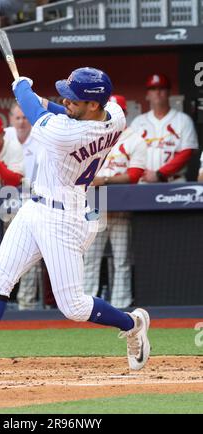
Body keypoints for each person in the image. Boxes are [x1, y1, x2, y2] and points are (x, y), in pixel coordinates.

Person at [0, 67, 150, 375]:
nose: (66, 101)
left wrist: (23, 89)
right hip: (35, 207)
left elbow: (34, 111)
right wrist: (43, 100)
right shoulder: (115, 114)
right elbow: (60, 111)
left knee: (74, 308)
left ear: (93, 105)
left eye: (73, 99)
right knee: (0, 275)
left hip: (64, 217)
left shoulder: (65, 133)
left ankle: (132, 323)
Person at [83, 95, 147, 308]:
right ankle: (85, 304)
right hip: (95, 203)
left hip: (121, 205)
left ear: (124, 113)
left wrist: (105, 179)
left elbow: (135, 174)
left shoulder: (135, 139)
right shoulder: (95, 136)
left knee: (121, 259)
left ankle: (121, 304)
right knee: (90, 257)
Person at [5, 101, 43, 310]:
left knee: (29, 256)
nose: (21, 122)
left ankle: (26, 304)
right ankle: (0, 299)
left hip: (33, 202)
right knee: (4, 256)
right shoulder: (3, 136)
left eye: (24, 117)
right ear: (11, 118)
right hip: (6, 203)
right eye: (17, 118)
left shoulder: (40, 137)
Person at [131, 73, 198, 183]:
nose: (157, 92)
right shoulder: (138, 122)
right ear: (147, 94)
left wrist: (160, 174)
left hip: (174, 182)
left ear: (168, 93)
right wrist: (142, 172)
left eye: (162, 88)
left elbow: (187, 151)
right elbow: (130, 154)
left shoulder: (183, 120)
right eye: (153, 89)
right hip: (144, 182)